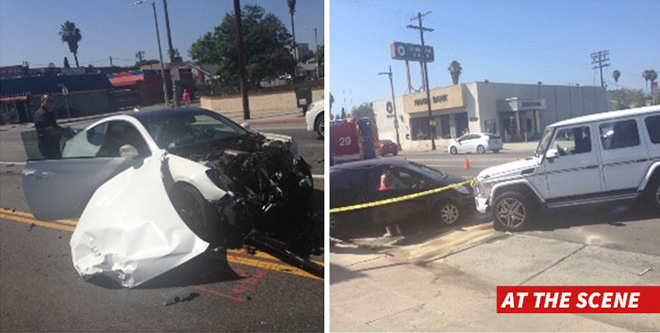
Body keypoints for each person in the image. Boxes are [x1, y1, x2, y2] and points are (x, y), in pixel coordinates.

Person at [33, 94, 72, 159]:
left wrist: (65, 130)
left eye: (52, 101)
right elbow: (51, 130)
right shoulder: (41, 114)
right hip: (47, 145)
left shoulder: (49, 113)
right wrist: (64, 131)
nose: (50, 103)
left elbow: (55, 126)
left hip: (53, 144)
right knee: (54, 163)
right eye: (48, 101)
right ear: (42, 101)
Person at [379, 171, 403, 238]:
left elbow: (381, 187)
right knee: (394, 215)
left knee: (386, 216)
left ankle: (389, 232)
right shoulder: (393, 179)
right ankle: (398, 230)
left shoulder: (382, 178)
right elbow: (400, 185)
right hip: (392, 197)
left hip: (384, 198)